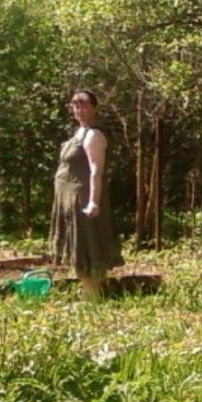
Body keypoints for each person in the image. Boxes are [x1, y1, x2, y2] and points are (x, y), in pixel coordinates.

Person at [49, 89, 123, 300]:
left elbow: (95, 170)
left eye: (84, 105)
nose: (79, 110)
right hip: (68, 199)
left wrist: (93, 201)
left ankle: (93, 296)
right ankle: (88, 293)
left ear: (94, 108)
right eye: (76, 105)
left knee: (88, 244)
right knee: (77, 245)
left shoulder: (94, 135)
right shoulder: (79, 132)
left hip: (83, 199)